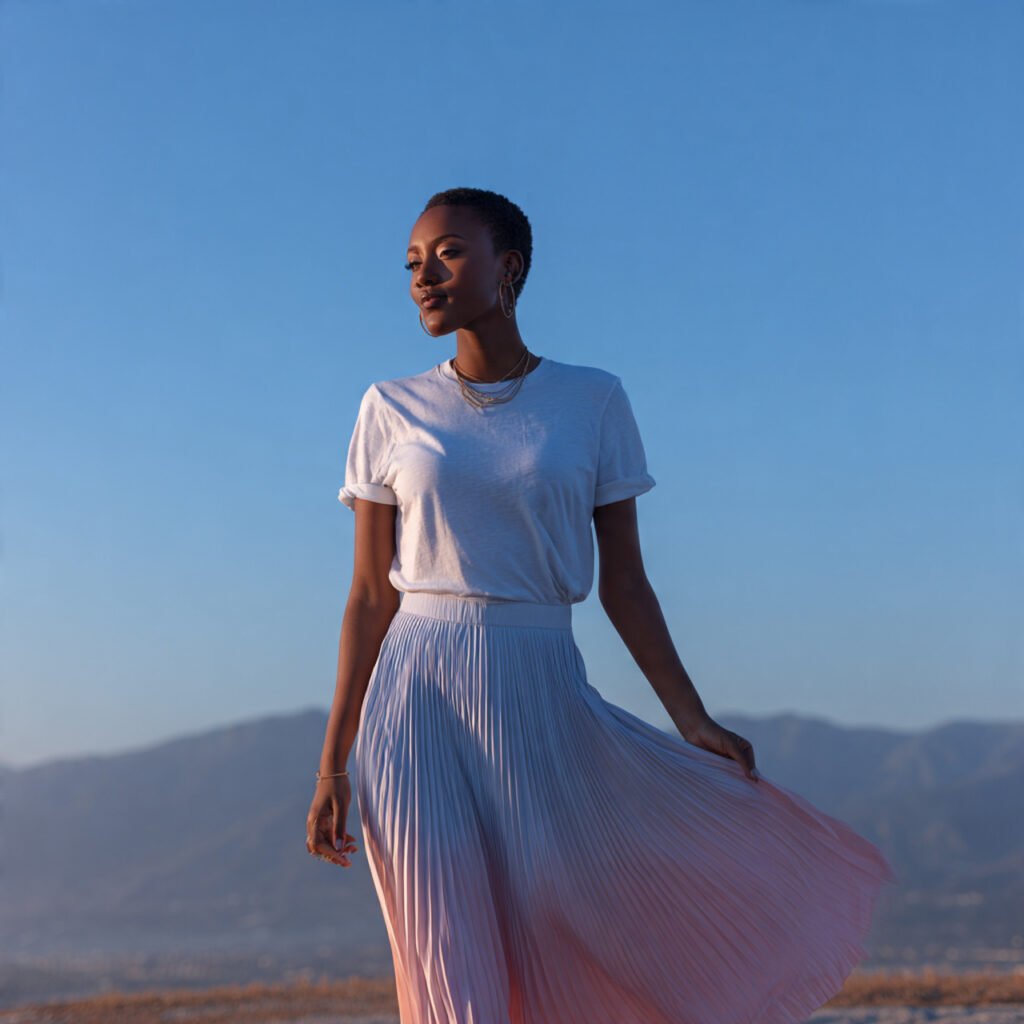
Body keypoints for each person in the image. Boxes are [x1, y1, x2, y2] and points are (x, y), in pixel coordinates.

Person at [306, 186, 898, 1024]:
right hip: (413, 700)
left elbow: (625, 583)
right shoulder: (388, 407)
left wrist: (690, 719)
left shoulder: (593, 401)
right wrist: (333, 761)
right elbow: (369, 596)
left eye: (448, 253)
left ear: (508, 268)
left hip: (541, 691)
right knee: (447, 973)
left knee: (567, 933)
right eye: (411, 262)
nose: (423, 277)